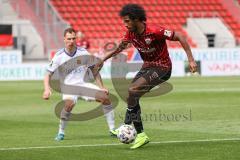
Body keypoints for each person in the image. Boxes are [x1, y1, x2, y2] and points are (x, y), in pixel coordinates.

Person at [96, 4, 197, 149]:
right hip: (148, 66)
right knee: (131, 95)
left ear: (137, 19)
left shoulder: (155, 31)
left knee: (133, 89)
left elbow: (180, 36)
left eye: (127, 21)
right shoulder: (130, 34)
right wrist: (102, 59)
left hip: (163, 68)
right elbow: (120, 47)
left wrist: (191, 60)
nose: (125, 24)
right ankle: (140, 134)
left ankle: (129, 127)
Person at [42, 27, 117, 141]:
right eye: (69, 39)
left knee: (105, 98)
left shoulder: (83, 53)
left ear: (76, 39)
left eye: (73, 38)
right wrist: (47, 89)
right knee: (69, 105)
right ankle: (61, 132)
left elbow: (94, 70)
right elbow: (48, 74)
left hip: (82, 85)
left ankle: (112, 129)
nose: (71, 41)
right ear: (64, 39)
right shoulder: (59, 56)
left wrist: (102, 87)